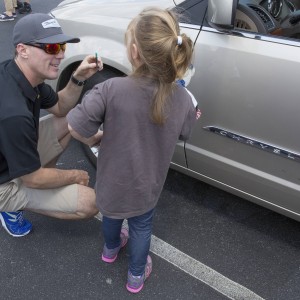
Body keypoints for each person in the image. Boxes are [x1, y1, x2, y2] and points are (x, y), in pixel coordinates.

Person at [67, 7, 199, 293]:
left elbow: (76, 129)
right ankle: (136, 276)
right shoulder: (184, 98)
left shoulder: (110, 89)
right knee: (141, 228)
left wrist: (96, 139)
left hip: (111, 183)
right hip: (146, 187)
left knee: (111, 219)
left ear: (135, 52)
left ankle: (110, 250)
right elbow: (185, 133)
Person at [0, 13, 103, 237]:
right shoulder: (14, 113)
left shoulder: (21, 74)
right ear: (23, 50)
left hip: (12, 154)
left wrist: (78, 76)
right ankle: (10, 207)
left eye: (62, 46)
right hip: (4, 182)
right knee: (91, 202)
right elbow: (33, 178)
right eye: (51, 48)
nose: (60, 54)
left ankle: (45, 180)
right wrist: (75, 175)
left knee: (71, 118)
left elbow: (61, 108)